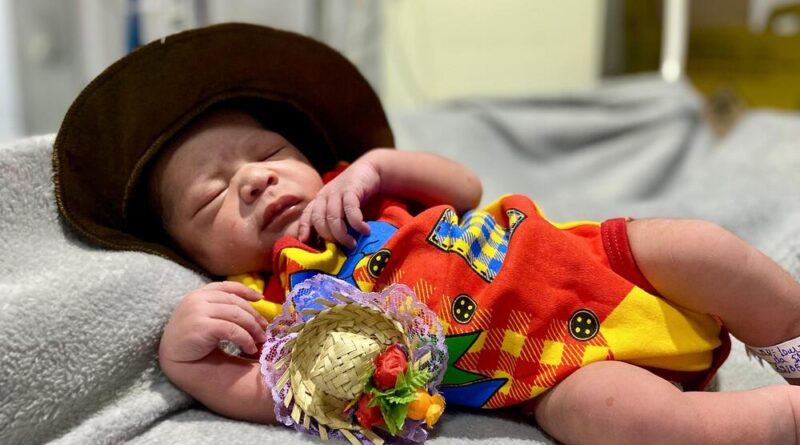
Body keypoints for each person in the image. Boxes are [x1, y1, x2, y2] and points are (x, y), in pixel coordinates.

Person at [53, 24, 800, 444]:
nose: (251, 180)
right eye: (210, 196)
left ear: (316, 162)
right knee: (608, 422)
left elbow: (464, 188)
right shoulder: (276, 308)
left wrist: (379, 166)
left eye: (269, 155)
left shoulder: (362, 192)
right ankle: (772, 419)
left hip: (590, 258)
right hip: (548, 372)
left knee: (696, 244)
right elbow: (275, 393)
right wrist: (188, 356)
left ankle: (790, 330)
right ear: (194, 257)